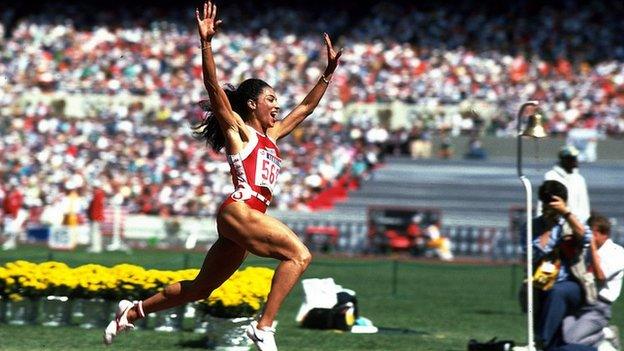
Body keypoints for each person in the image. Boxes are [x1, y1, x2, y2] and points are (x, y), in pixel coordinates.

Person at [103, 2, 342, 350]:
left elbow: (305, 108)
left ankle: (131, 312)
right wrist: (206, 44)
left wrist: (327, 73)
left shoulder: (272, 137)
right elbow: (215, 90)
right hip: (239, 210)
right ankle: (264, 328)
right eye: (271, 100)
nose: (277, 106)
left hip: (247, 219)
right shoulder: (239, 132)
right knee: (299, 256)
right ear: (251, 105)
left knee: (202, 288)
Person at [525, 180, 593, 351]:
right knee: (556, 348)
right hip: (542, 282)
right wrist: (548, 228)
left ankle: (540, 341)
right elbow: (531, 254)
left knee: (556, 292)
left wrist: (566, 214)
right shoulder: (532, 227)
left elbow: (586, 238)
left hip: (572, 284)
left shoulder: (571, 222)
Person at [562, 214, 624, 350]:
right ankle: (601, 343)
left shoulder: (618, 253)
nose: (590, 237)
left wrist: (593, 248)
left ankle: (604, 333)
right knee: (562, 336)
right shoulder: (585, 250)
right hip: (581, 301)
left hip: (599, 306)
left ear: (604, 234)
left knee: (571, 340)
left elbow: (600, 276)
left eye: (593, 233)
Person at [538, 145, 590, 223]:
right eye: (571, 158)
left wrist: (579, 222)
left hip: (575, 223)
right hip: (554, 222)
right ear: (563, 159)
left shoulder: (579, 179)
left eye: (575, 158)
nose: (575, 161)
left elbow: (584, 206)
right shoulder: (551, 176)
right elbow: (543, 202)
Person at [87, 181, 106, 253]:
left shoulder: (98, 195)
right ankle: (96, 247)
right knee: (96, 232)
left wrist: (91, 216)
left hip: (96, 216)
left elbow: (95, 208)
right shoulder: (100, 194)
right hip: (97, 216)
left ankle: (95, 247)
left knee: (95, 232)